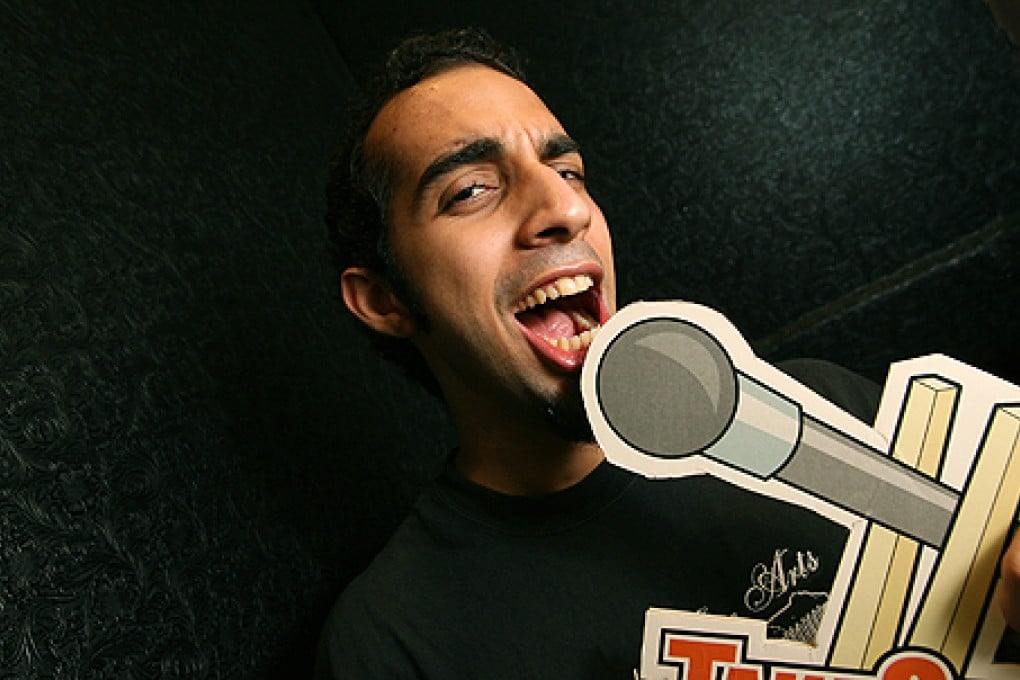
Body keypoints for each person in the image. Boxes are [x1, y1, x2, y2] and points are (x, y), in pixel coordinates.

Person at [316, 27, 1020, 678]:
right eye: (471, 190)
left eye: (568, 171)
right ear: (385, 300)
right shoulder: (399, 641)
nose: (565, 209)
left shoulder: (831, 407)